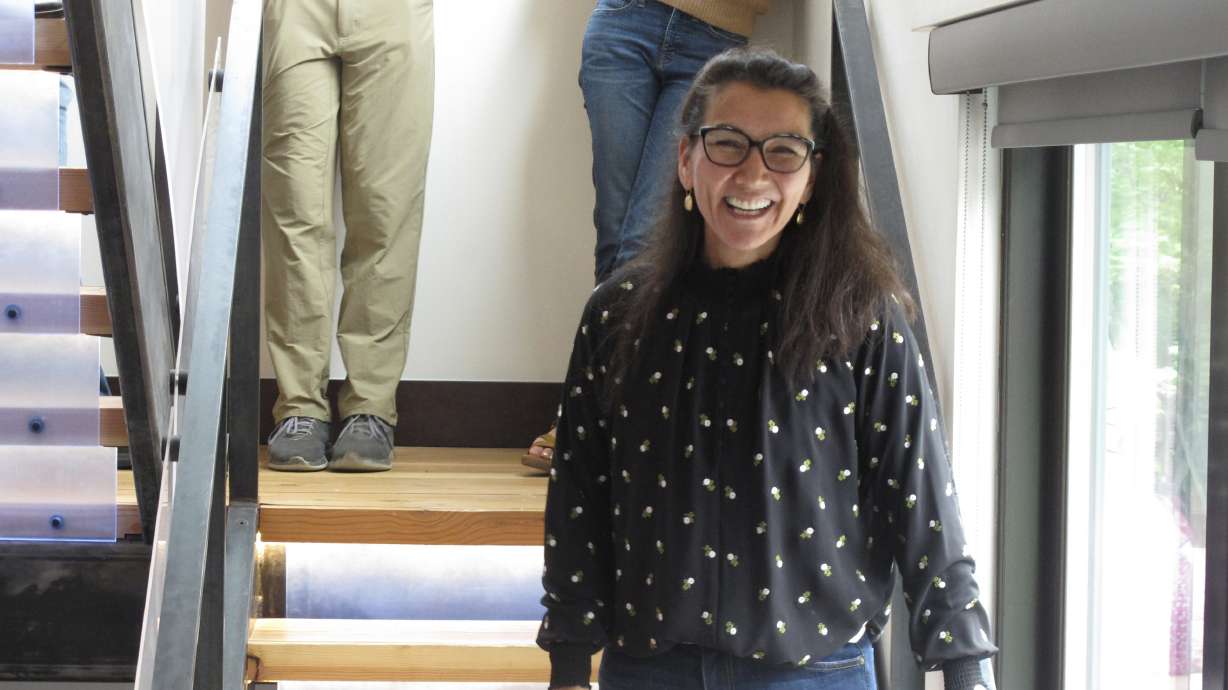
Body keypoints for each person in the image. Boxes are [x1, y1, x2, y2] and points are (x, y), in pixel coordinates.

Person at [537, 48, 998, 690]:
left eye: (783, 151)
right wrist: (567, 664)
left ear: (812, 176)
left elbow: (920, 497)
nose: (753, 173)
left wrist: (965, 669)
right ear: (686, 159)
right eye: (728, 144)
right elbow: (578, 499)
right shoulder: (616, 313)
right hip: (649, 670)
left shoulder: (862, 315)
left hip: (818, 672)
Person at [524, 0, 771, 471]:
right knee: (615, 233)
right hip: (623, 20)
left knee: (643, 237)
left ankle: (591, 418)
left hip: (713, 40)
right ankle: (622, 415)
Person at [261, 0, 434, 472]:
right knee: (295, 210)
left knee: (386, 211)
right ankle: (299, 407)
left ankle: (370, 407)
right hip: (297, 11)